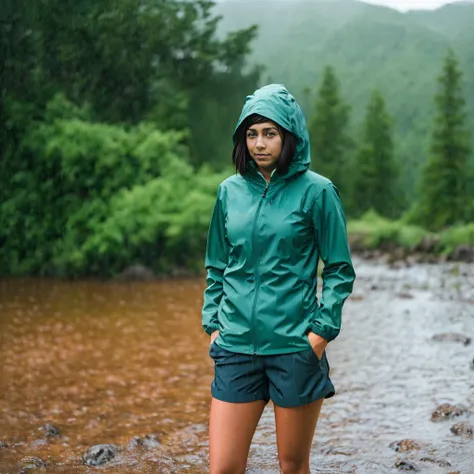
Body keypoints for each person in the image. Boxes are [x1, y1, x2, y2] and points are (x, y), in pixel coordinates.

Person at [202, 84, 356, 474]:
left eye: (269, 133)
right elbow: (217, 266)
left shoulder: (318, 192)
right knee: (223, 467)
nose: (259, 144)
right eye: (251, 134)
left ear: (290, 136)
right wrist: (213, 325)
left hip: (294, 346)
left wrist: (320, 333)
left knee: (292, 466)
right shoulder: (228, 192)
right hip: (236, 345)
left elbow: (338, 269)